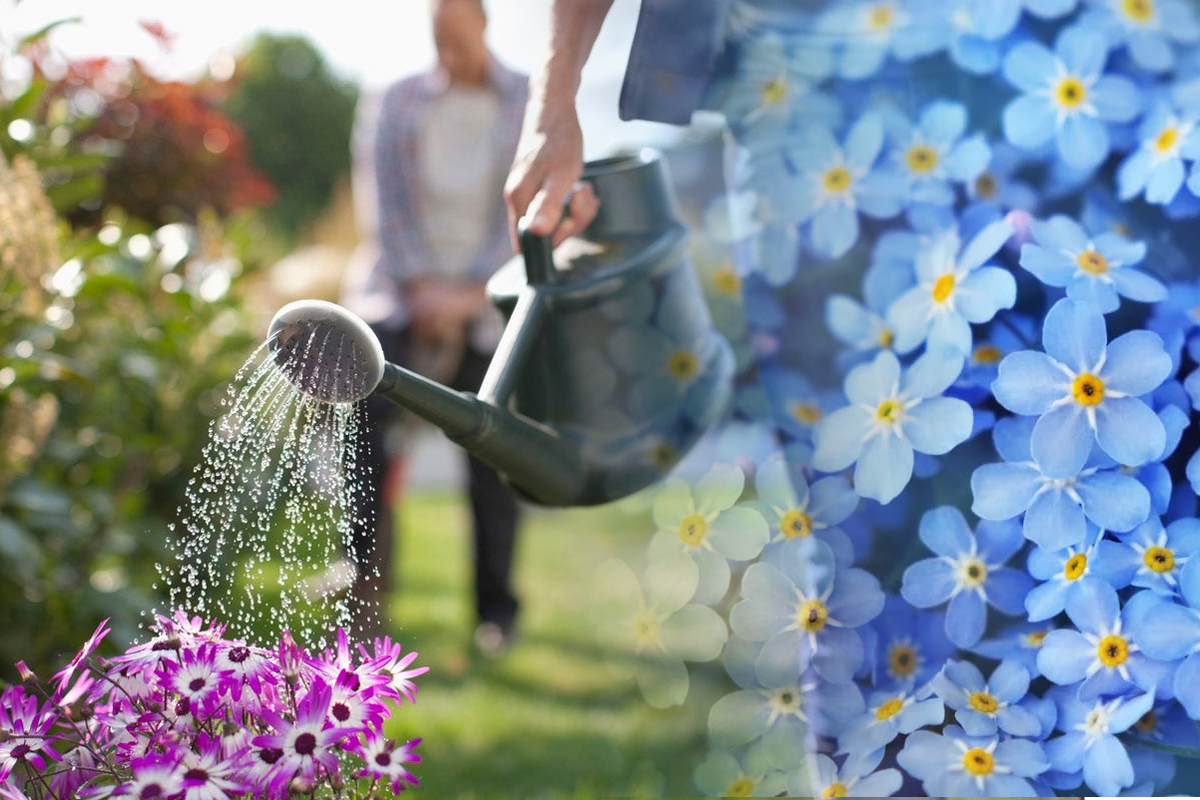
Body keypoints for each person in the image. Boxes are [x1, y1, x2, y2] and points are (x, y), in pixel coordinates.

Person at [340, 0, 529, 655]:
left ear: (483, 23)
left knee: (493, 461)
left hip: (489, 305)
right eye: (437, 38)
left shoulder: (526, 101)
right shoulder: (396, 101)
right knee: (367, 448)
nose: (448, 52)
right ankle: (363, 592)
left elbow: (528, 207)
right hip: (399, 297)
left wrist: (469, 295)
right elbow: (385, 203)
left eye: (458, 36)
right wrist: (421, 288)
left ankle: (496, 611)